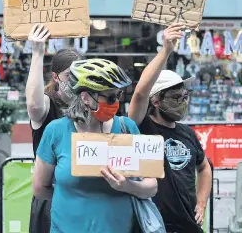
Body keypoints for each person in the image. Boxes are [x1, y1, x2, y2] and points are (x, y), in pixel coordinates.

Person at [33, 58, 158, 232]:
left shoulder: (127, 127)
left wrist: (127, 186)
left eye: (118, 95)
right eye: (110, 97)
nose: (116, 103)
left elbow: (151, 188)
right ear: (85, 98)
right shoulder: (56, 131)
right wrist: (71, 201)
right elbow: (39, 188)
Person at [128, 23, 212, 233]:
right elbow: (139, 94)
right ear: (155, 101)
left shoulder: (188, 133)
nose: (183, 102)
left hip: (188, 226)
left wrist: (201, 203)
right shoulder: (141, 127)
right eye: (176, 98)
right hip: (152, 225)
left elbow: (204, 168)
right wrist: (165, 50)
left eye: (185, 97)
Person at [25, 24, 81, 233]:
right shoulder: (48, 103)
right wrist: (37, 52)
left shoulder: (90, 106)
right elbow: (34, 105)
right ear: (56, 77)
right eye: (69, 75)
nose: (75, 82)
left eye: (80, 75)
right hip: (52, 198)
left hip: (82, 198)